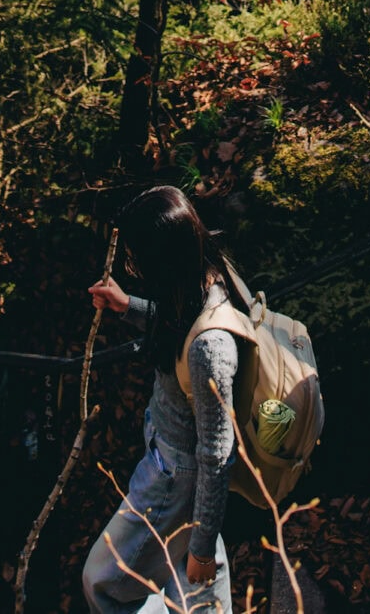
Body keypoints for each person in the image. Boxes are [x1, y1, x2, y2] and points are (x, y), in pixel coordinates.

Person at [82, 186, 243, 614]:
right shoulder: (202, 278)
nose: (131, 265)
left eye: (137, 257)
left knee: (101, 581)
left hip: (175, 475)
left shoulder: (212, 347)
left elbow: (216, 454)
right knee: (195, 592)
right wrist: (128, 306)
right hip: (172, 463)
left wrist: (203, 548)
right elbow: (177, 323)